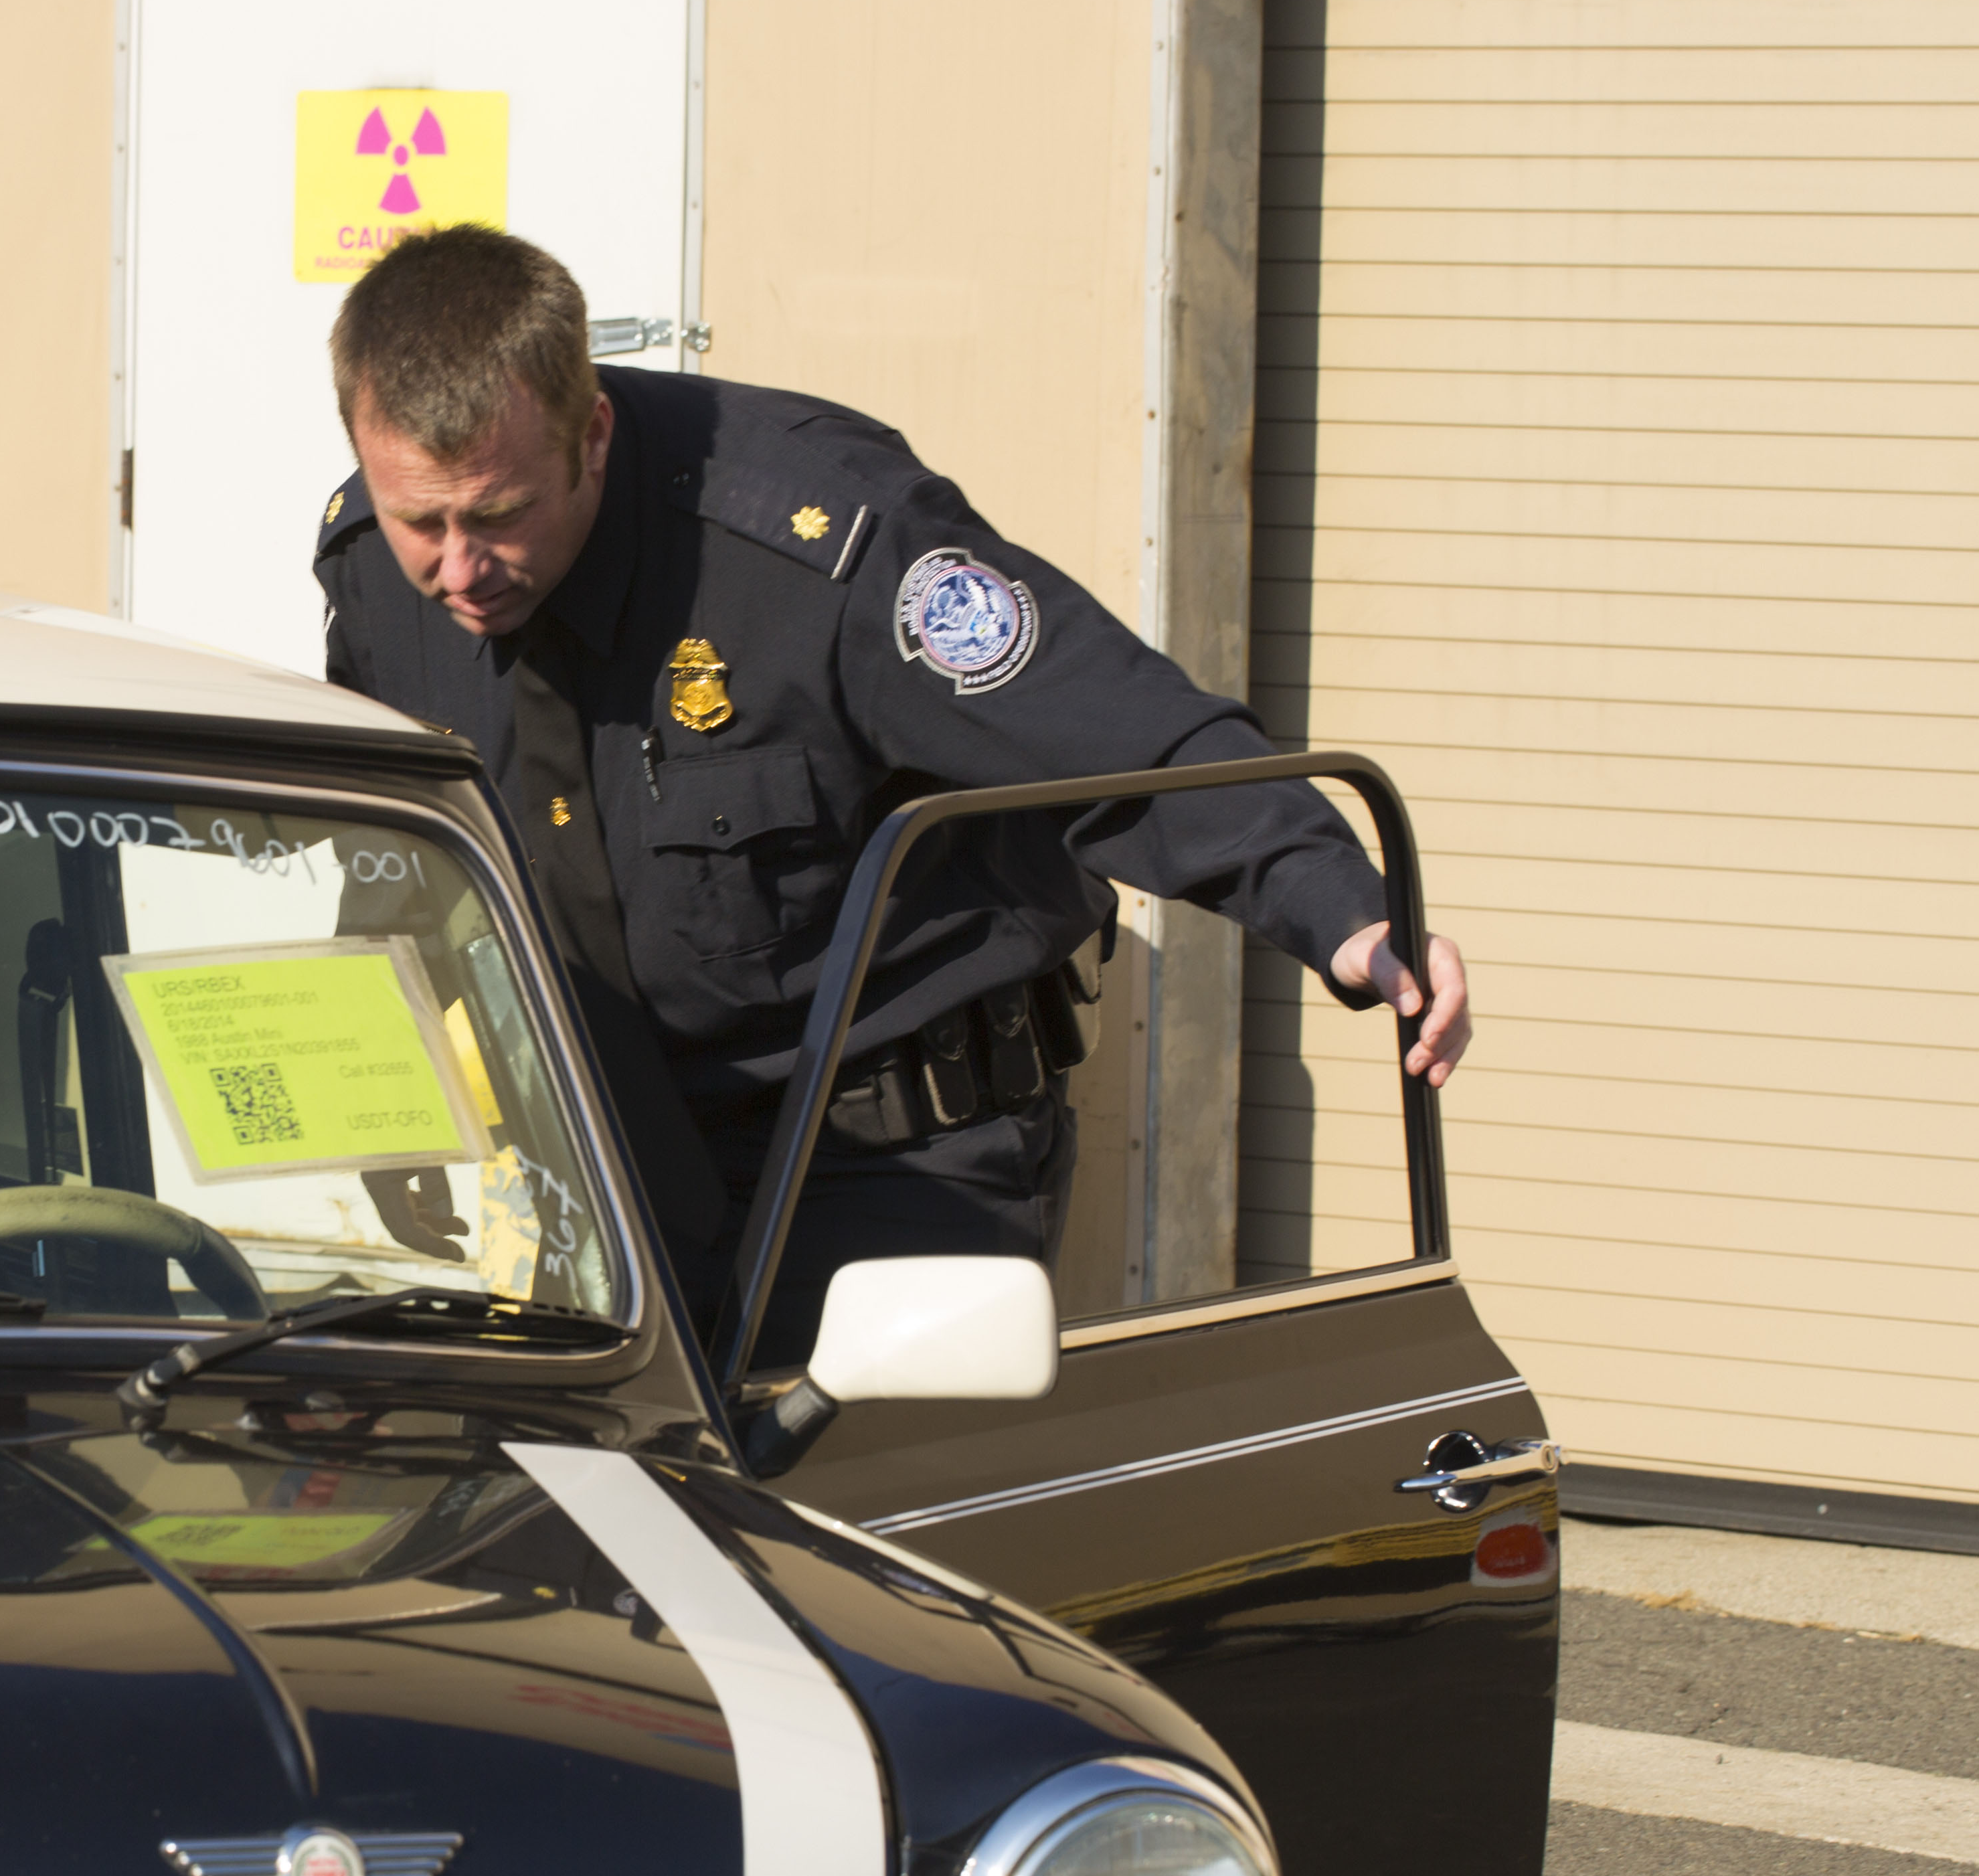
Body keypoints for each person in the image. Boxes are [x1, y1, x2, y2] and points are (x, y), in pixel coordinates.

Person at [310, 226, 1471, 1365]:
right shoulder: (374, 568)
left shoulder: (823, 546)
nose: (458, 570)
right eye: (424, 521)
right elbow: (395, 858)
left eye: (499, 516)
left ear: (592, 435)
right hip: (605, 1166)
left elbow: (1114, 733)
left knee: (868, 1532)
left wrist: (1342, 909)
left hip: (890, 1168)